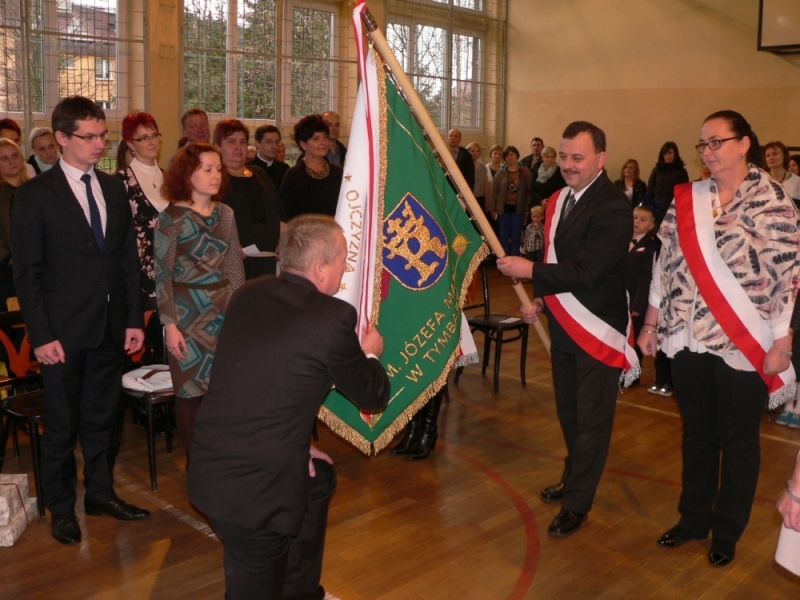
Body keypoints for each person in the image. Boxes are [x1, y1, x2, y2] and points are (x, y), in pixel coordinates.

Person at [188, 214, 390, 600]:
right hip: (251, 494)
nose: (346, 267)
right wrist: (370, 353)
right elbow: (372, 395)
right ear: (320, 269)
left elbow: (265, 381)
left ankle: (301, 590)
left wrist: (295, 445)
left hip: (211, 461)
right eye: (343, 260)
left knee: (318, 481)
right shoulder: (332, 318)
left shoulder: (248, 295)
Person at [639, 110, 797, 567]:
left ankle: (727, 531)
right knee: (697, 435)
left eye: (717, 142)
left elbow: (787, 278)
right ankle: (693, 519)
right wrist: (650, 323)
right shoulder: (690, 197)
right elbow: (664, 263)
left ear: (744, 143)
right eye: (703, 144)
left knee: (739, 441)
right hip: (687, 336)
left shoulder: (773, 200)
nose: (707, 152)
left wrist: (782, 343)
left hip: (745, 341)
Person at [12, 96, 149, 546]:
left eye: (102, 135)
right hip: (62, 333)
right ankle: (61, 508)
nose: (98, 144)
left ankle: (101, 494)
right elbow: (27, 273)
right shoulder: (35, 194)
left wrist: (133, 319)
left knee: (103, 417)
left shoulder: (112, 188)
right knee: (62, 423)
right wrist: (41, 334)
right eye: (88, 137)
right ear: (62, 138)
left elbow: (126, 260)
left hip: (110, 326)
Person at [497, 121, 634, 538]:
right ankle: (573, 477)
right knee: (570, 414)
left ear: (601, 159)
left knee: (592, 422)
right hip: (563, 324)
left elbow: (588, 272)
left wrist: (529, 271)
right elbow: (557, 260)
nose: (569, 165)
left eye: (578, 157)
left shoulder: (613, 207)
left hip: (597, 329)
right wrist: (541, 299)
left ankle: (577, 502)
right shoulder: (560, 199)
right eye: (565, 156)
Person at [155, 142, 246, 457]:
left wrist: (239, 314)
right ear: (187, 174)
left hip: (223, 308)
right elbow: (162, 276)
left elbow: (234, 267)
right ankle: (197, 462)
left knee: (223, 391)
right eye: (207, 169)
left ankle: (221, 457)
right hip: (186, 314)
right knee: (190, 392)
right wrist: (170, 326)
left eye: (218, 169)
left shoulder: (225, 213)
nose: (216, 175)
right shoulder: (171, 219)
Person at [215, 119, 286, 279]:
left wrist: (285, 240)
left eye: (242, 142)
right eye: (231, 141)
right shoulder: (216, 180)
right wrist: (226, 243)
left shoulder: (260, 173)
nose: (238, 147)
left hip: (269, 261)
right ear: (218, 146)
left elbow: (279, 212)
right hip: (235, 263)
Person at [115, 112, 169, 304]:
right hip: (138, 271)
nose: (152, 142)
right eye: (144, 138)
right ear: (130, 144)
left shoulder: (171, 178)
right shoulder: (119, 182)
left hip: (173, 268)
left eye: (154, 135)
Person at [278, 115, 343, 219]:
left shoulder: (337, 173)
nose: (323, 142)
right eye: (316, 139)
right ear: (303, 144)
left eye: (325, 137)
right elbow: (283, 216)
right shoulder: (294, 175)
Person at [625, 205, 659, 374]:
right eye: (634, 217)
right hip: (617, 298)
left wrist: (638, 306)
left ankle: (632, 375)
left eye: (643, 220)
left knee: (634, 338)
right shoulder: (619, 240)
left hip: (635, 299)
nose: (636, 221)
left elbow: (647, 279)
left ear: (651, 225)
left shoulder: (651, 246)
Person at [491, 145, 532, 257]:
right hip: (503, 210)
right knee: (503, 236)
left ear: (517, 155)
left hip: (518, 210)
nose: (510, 157)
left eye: (512, 155)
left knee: (516, 236)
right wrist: (493, 209)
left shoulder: (525, 172)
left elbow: (529, 191)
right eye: (507, 156)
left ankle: (514, 259)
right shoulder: (501, 172)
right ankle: (504, 260)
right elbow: (494, 192)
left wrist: (526, 208)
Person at [647, 141, 689, 222]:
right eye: (665, 154)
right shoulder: (657, 170)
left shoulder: (681, 171)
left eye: (670, 153)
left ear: (675, 154)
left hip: (673, 208)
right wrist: (651, 207)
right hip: (657, 208)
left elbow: (684, 193)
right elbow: (650, 191)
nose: (667, 156)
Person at [250, 124, 290, 191]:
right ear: (257, 144)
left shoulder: (284, 169)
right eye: (269, 142)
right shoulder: (247, 169)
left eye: (277, 142)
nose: (274, 146)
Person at [764, 141, 800, 206]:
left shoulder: (797, 181)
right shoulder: (760, 179)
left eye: (775, 154)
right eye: (768, 155)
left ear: (784, 156)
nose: (770, 158)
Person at [466, 141, 490, 214]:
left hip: (480, 198)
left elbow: (486, 185)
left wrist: (487, 201)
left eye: (477, 151)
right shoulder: (464, 166)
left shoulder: (482, 166)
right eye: (472, 151)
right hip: (468, 199)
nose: (475, 153)